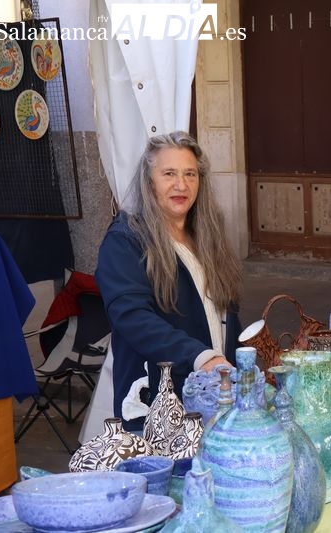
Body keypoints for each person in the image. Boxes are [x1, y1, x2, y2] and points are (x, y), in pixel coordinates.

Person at [96, 131, 243, 431]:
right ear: (149, 180)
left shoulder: (206, 234)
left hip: (215, 397)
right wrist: (199, 357)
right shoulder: (126, 240)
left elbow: (225, 313)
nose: (181, 185)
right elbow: (132, 317)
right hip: (157, 406)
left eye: (190, 174)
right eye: (169, 174)